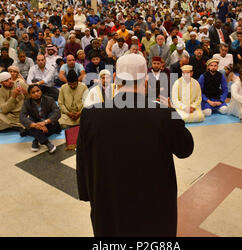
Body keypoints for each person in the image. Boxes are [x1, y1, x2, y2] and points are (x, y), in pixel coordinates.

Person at [76, 54, 194, 237]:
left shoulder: (91, 114)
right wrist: (173, 112)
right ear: (145, 79)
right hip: (153, 205)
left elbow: (82, 159)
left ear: (115, 78)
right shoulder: (163, 114)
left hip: (108, 202)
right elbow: (185, 149)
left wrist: (86, 193)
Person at [20, 84, 61, 153]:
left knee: (52, 116)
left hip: (49, 123)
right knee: (30, 120)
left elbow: (57, 113)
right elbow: (22, 117)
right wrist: (36, 125)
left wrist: (45, 122)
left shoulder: (49, 99)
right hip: (37, 124)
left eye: (38, 91)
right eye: (33, 92)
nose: (36, 94)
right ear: (29, 94)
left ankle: (36, 140)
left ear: (41, 91)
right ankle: (47, 143)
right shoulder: (27, 103)